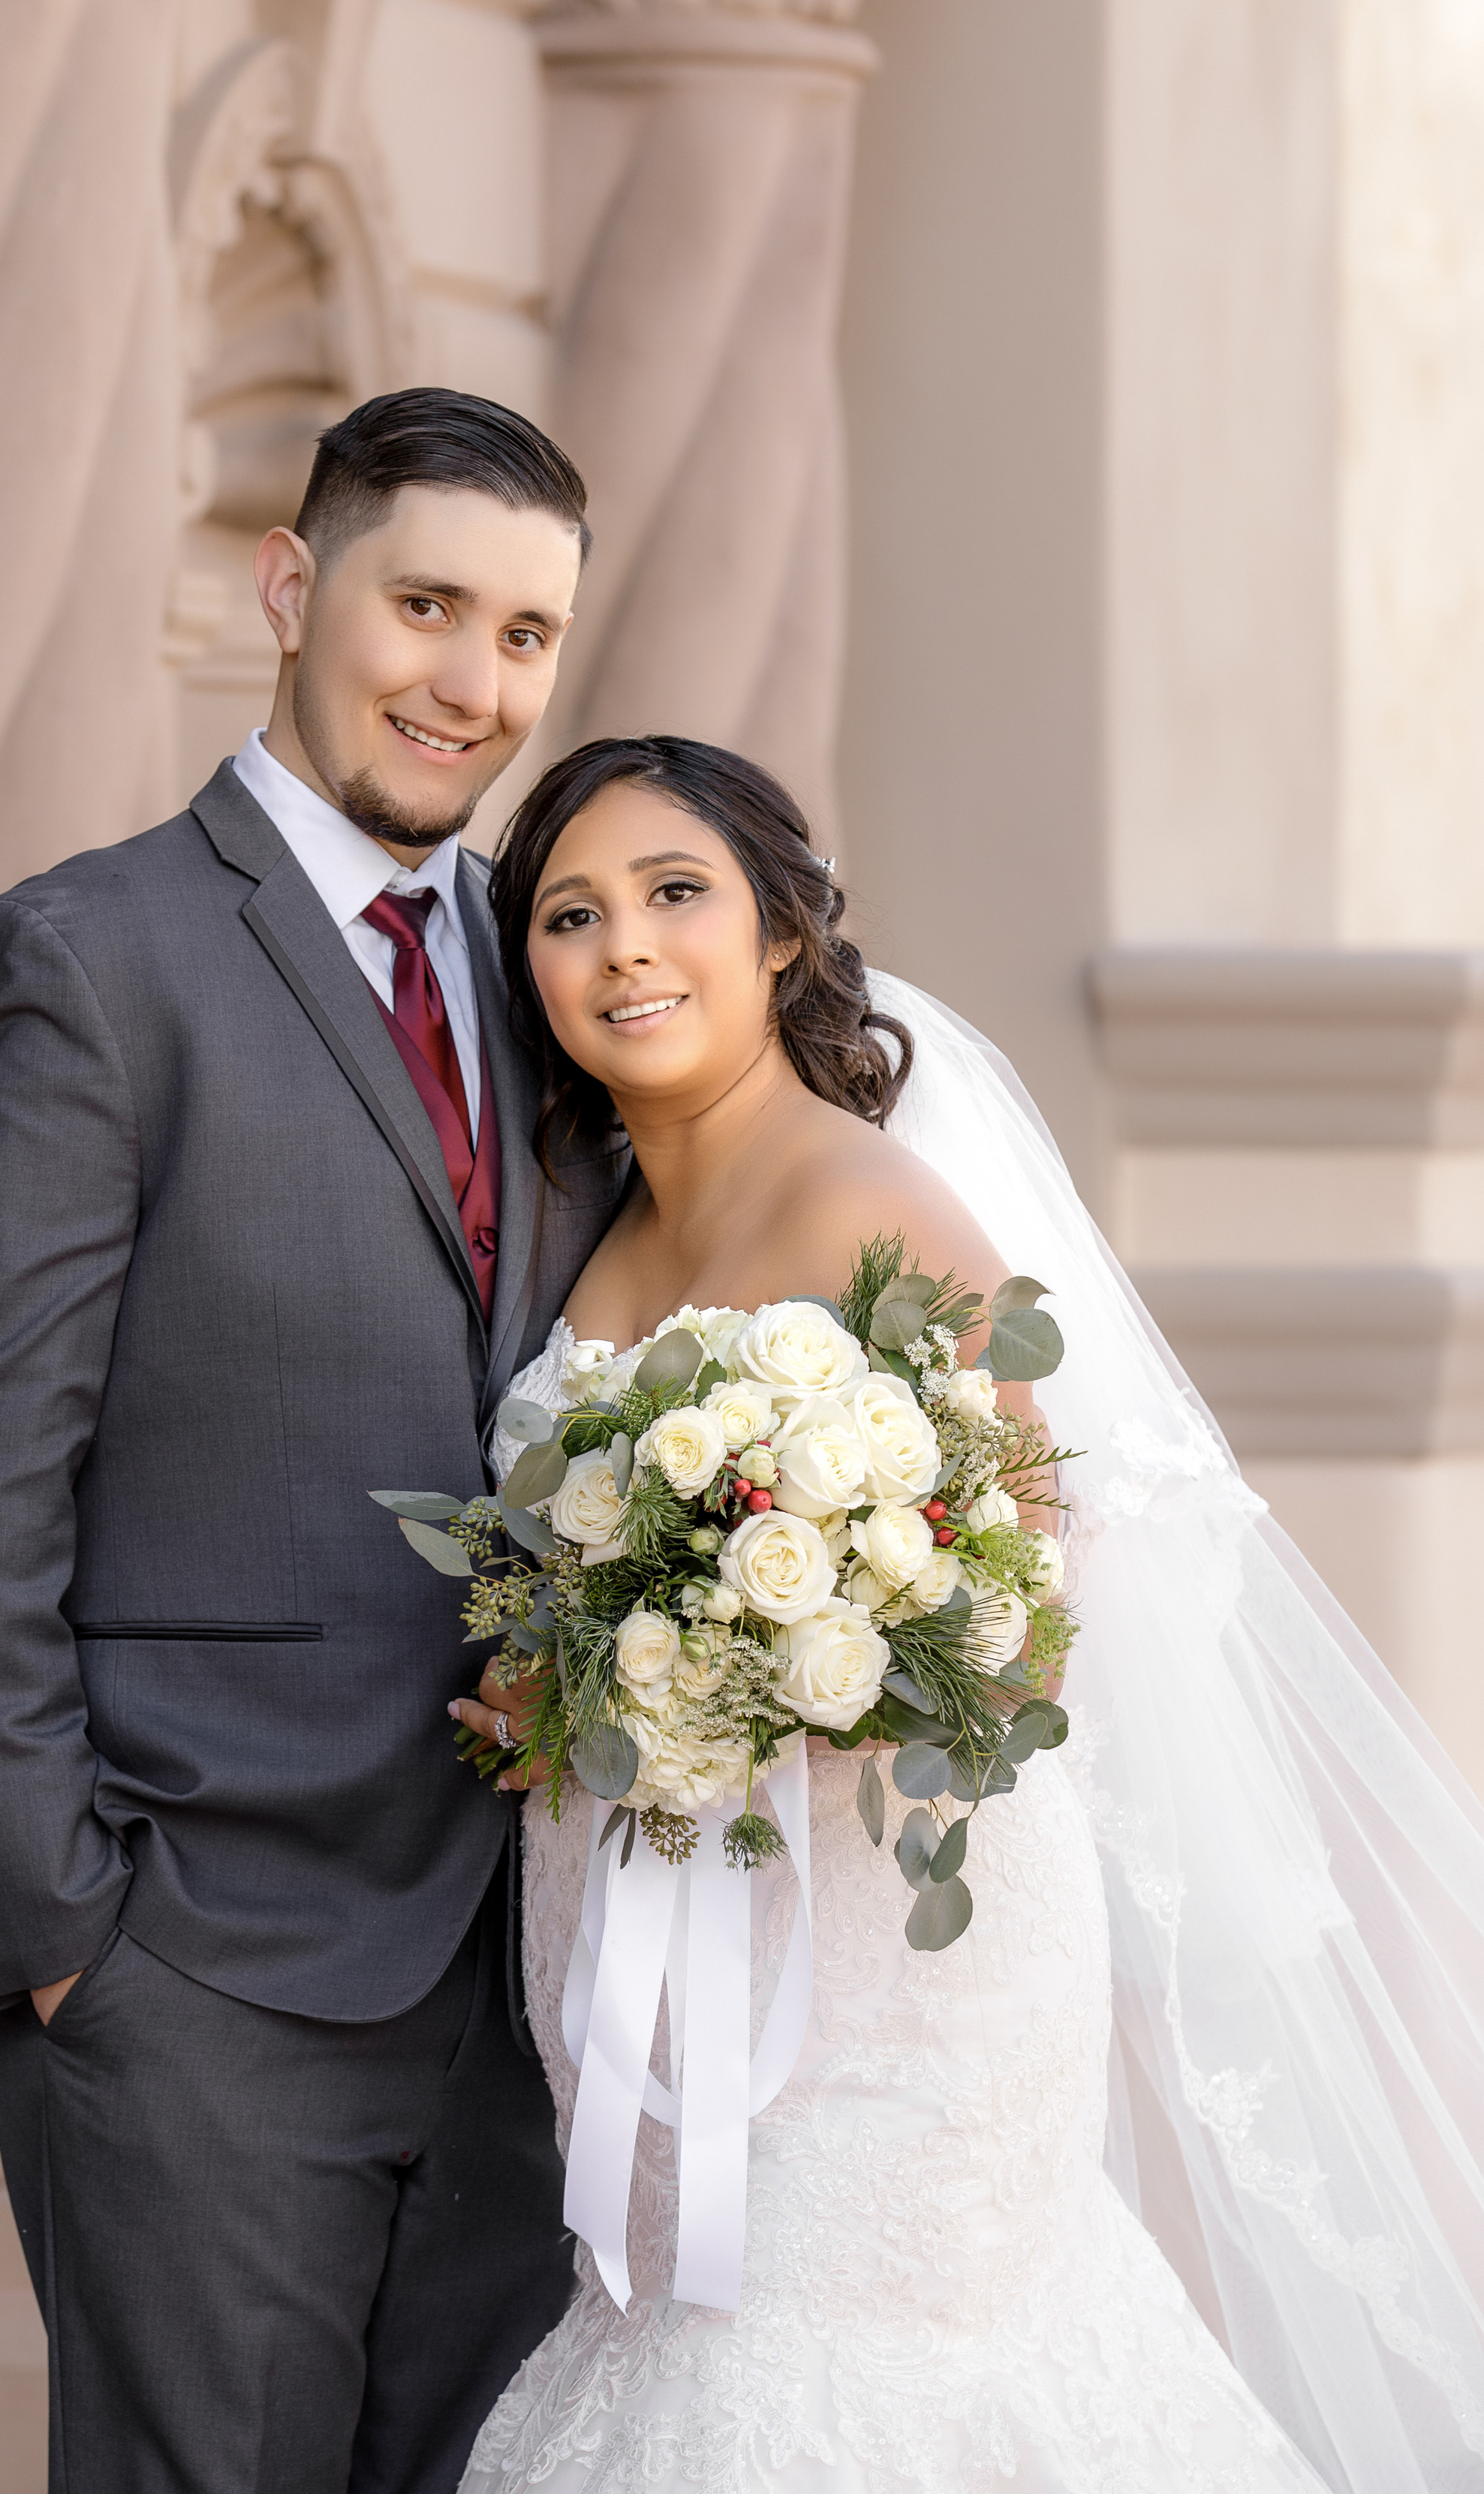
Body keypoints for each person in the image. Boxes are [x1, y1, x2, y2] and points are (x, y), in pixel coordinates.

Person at [452, 734, 1484, 2494]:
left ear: (777, 935)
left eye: (673, 893)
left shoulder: (870, 1197)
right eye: (569, 914)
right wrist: (545, 1687)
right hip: (639, 1957)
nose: (622, 946)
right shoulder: (596, 1233)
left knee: (827, 2380)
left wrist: (783, 1667)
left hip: (883, 1985)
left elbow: (1028, 1592)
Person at [0, 390, 625, 2494]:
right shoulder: (91, 961)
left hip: (522, 1989)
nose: (472, 682)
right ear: (293, 588)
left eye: (529, 636)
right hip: (199, 1980)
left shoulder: (562, 982)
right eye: (427, 604)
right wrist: (75, 1935)